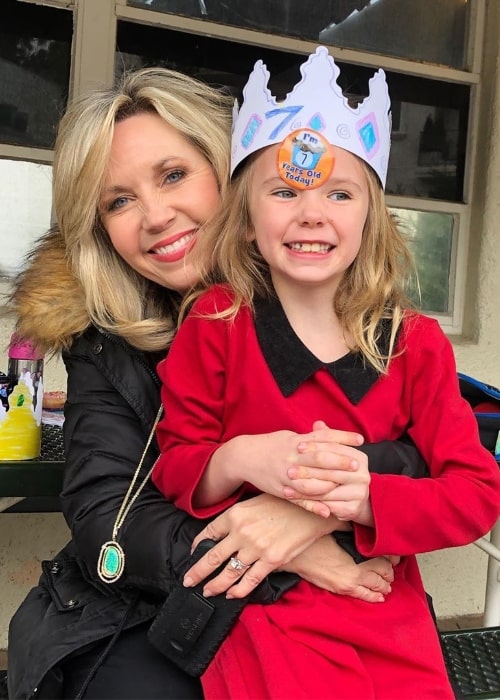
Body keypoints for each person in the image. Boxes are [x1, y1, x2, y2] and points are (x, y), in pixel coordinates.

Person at [5, 65, 421, 700]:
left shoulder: (333, 300)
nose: (154, 216)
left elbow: (431, 447)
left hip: (324, 603)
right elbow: (104, 518)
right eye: (118, 200)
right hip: (144, 605)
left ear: (232, 174)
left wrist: (305, 510)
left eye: (173, 175)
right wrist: (270, 553)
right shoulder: (105, 339)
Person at [152, 47, 500, 699]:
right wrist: (240, 457)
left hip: (384, 607)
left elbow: (476, 494)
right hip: (265, 610)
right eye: (284, 191)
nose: (311, 213)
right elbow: (175, 465)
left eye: (339, 193)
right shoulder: (217, 323)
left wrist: (364, 501)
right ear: (250, 221)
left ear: (369, 217)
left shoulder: (416, 344)